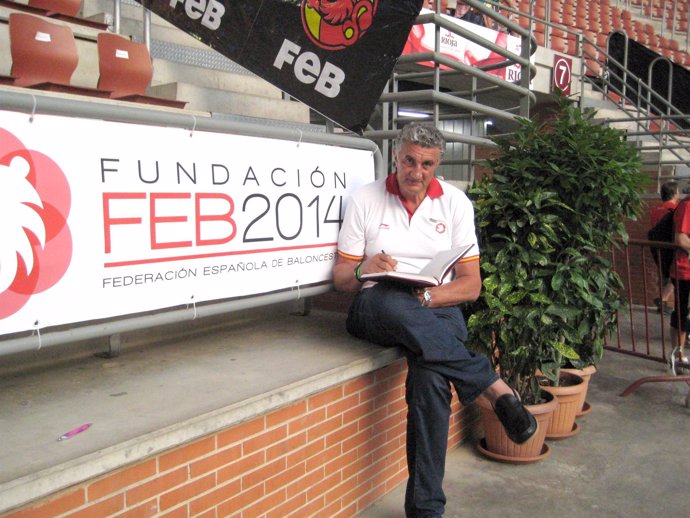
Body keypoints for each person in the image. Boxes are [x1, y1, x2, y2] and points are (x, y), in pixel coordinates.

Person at [332, 122, 537, 518]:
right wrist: (364, 269)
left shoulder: (456, 204)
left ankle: (426, 510)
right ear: (396, 156)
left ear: (437, 163)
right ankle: (491, 386)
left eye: (427, 164)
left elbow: (470, 286)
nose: (417, 171)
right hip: (374, 304)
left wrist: (426, 296)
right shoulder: (366, 199)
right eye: (409, 160)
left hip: (435, 304)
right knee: (394, 304)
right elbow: (342, 279)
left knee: (430, 380)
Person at [649, 181, 679, 313]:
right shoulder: (674, 209)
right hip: (670, 247)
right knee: (676, 275)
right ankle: (663, 299)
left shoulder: (656, 209)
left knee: (664, 274)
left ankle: (662, 303)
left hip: (656, 246)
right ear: (674, 193)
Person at [671, 185, 690, 366]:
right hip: (685, 271)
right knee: (682, 314)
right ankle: (679, 357)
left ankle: (679, 356)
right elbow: (681, 239)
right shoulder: (687, 206)